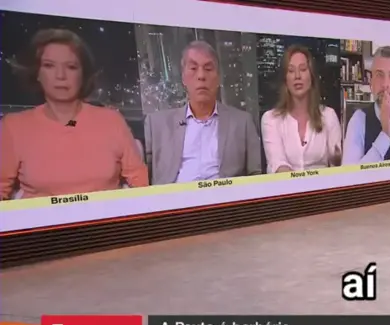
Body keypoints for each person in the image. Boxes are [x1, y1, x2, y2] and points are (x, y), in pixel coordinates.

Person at [0, 29, 148, 200]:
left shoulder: (112, 120)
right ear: (37, 73)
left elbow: (139, 180)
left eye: (71, 67)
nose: (60, 76)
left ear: (83, 74)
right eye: (49, 65)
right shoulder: (14, 126)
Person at [143, 41, 262, 185]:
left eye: (208, 69)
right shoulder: (156, 125)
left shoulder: (243, 123)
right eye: (193, 68)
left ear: (218, 78)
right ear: (183, 78)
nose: (201, 76)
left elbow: (256, 175)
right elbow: (142, 179)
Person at [261, 45, 342, 173]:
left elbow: (336, 166)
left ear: (311, 76)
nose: (297, 76)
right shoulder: (271, 119)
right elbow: (278, 164)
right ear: (285, 79)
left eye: (303, 69)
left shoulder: (329, 116)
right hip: (286, 184)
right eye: (291, 71)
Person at [342, 46, 390, 164]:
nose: (385, 84)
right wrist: (384, 136)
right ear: (371, 83)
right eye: (379, 75)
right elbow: (349, 172)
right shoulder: (358, 119)